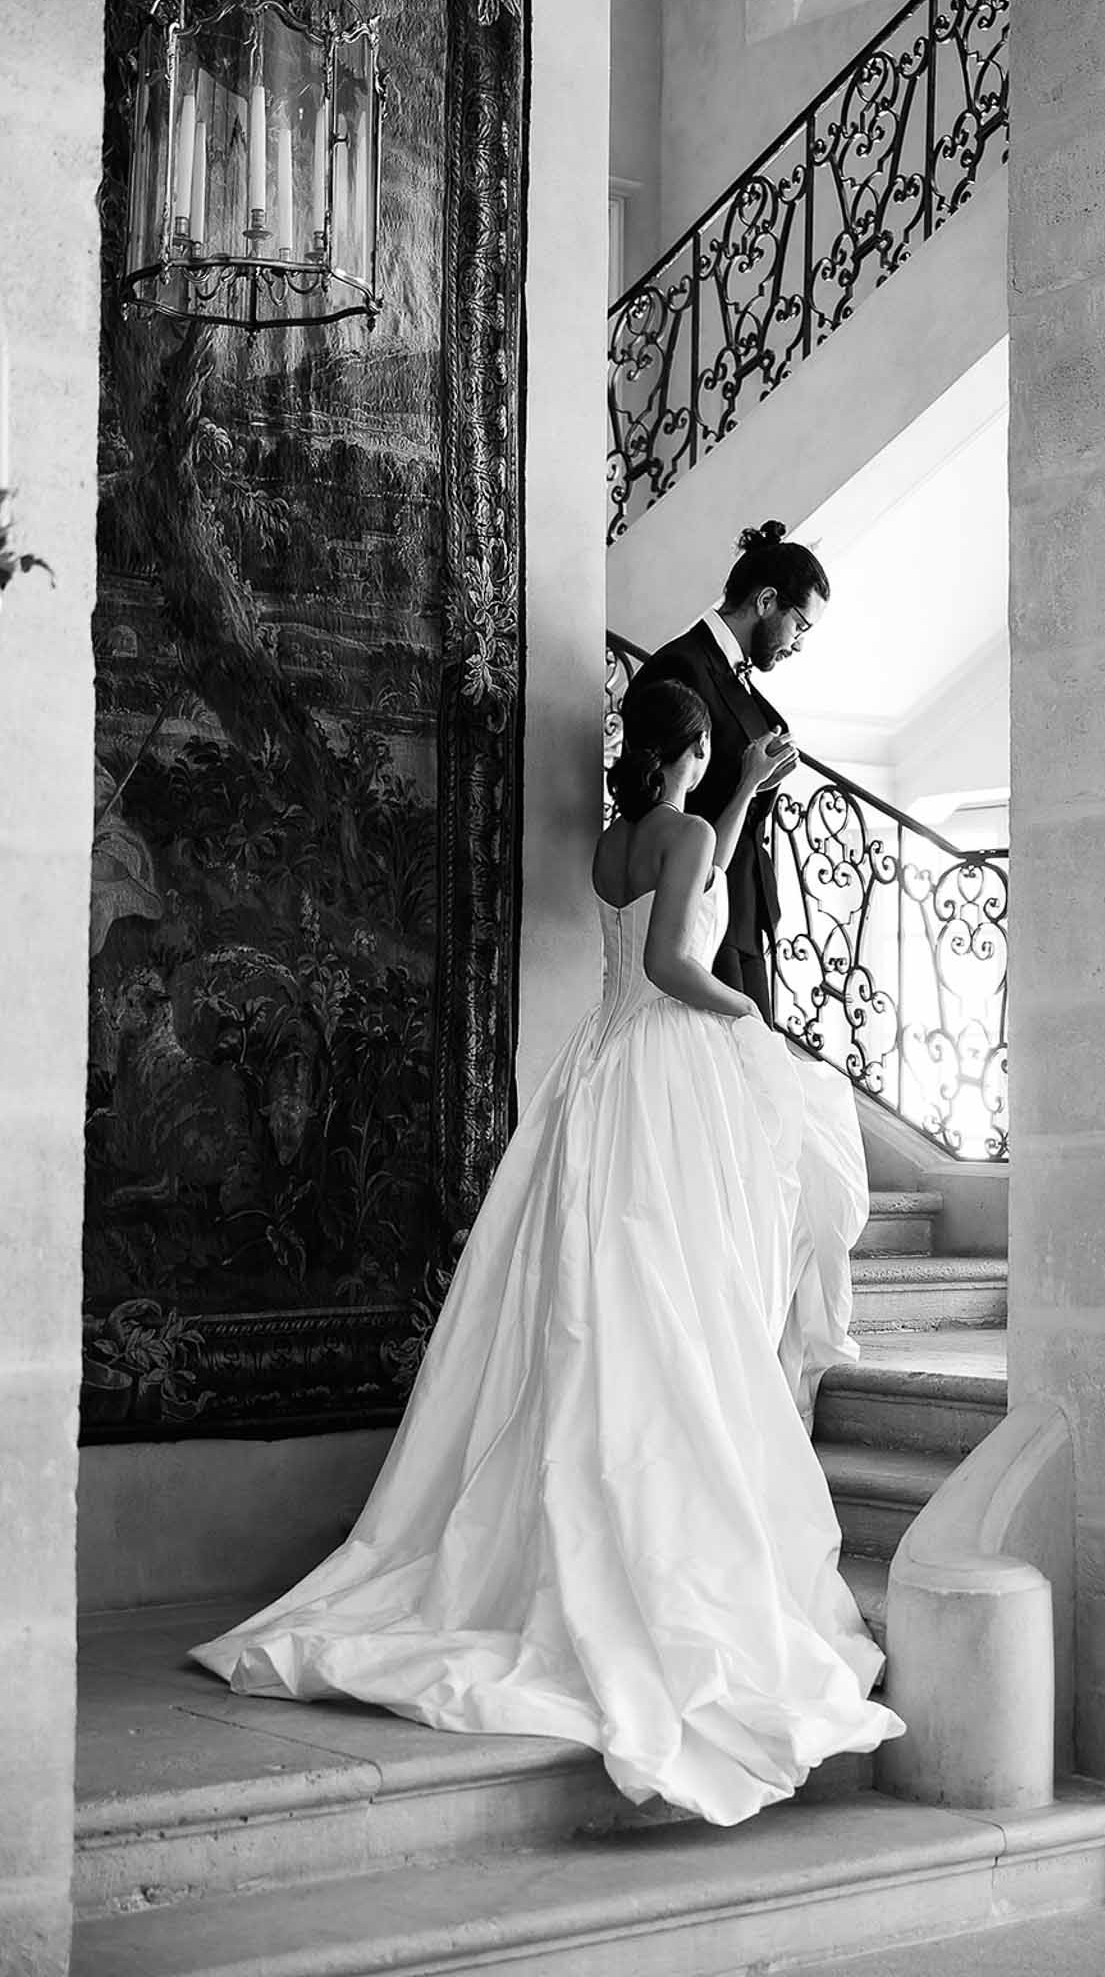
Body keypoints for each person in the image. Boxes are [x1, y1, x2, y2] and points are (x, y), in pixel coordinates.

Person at [190, 678, 901, 1828]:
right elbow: (677, 960)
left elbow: (685, 875)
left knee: (612, 1289)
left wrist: (749, 791)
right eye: (713, 748)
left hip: (598, 1070)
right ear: (689, 749)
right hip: (667, 1062)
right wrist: (746, 1014)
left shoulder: (623, 843)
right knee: (666, 1290)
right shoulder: (669, 837)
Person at [627, 518, 830, 1024]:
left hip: (740, 911)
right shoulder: (679, 667)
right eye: (800, 626)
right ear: (766, 602)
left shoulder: (736, 679)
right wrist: (750, 782)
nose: (799, 644)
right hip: (698, 916)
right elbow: (664, 805)